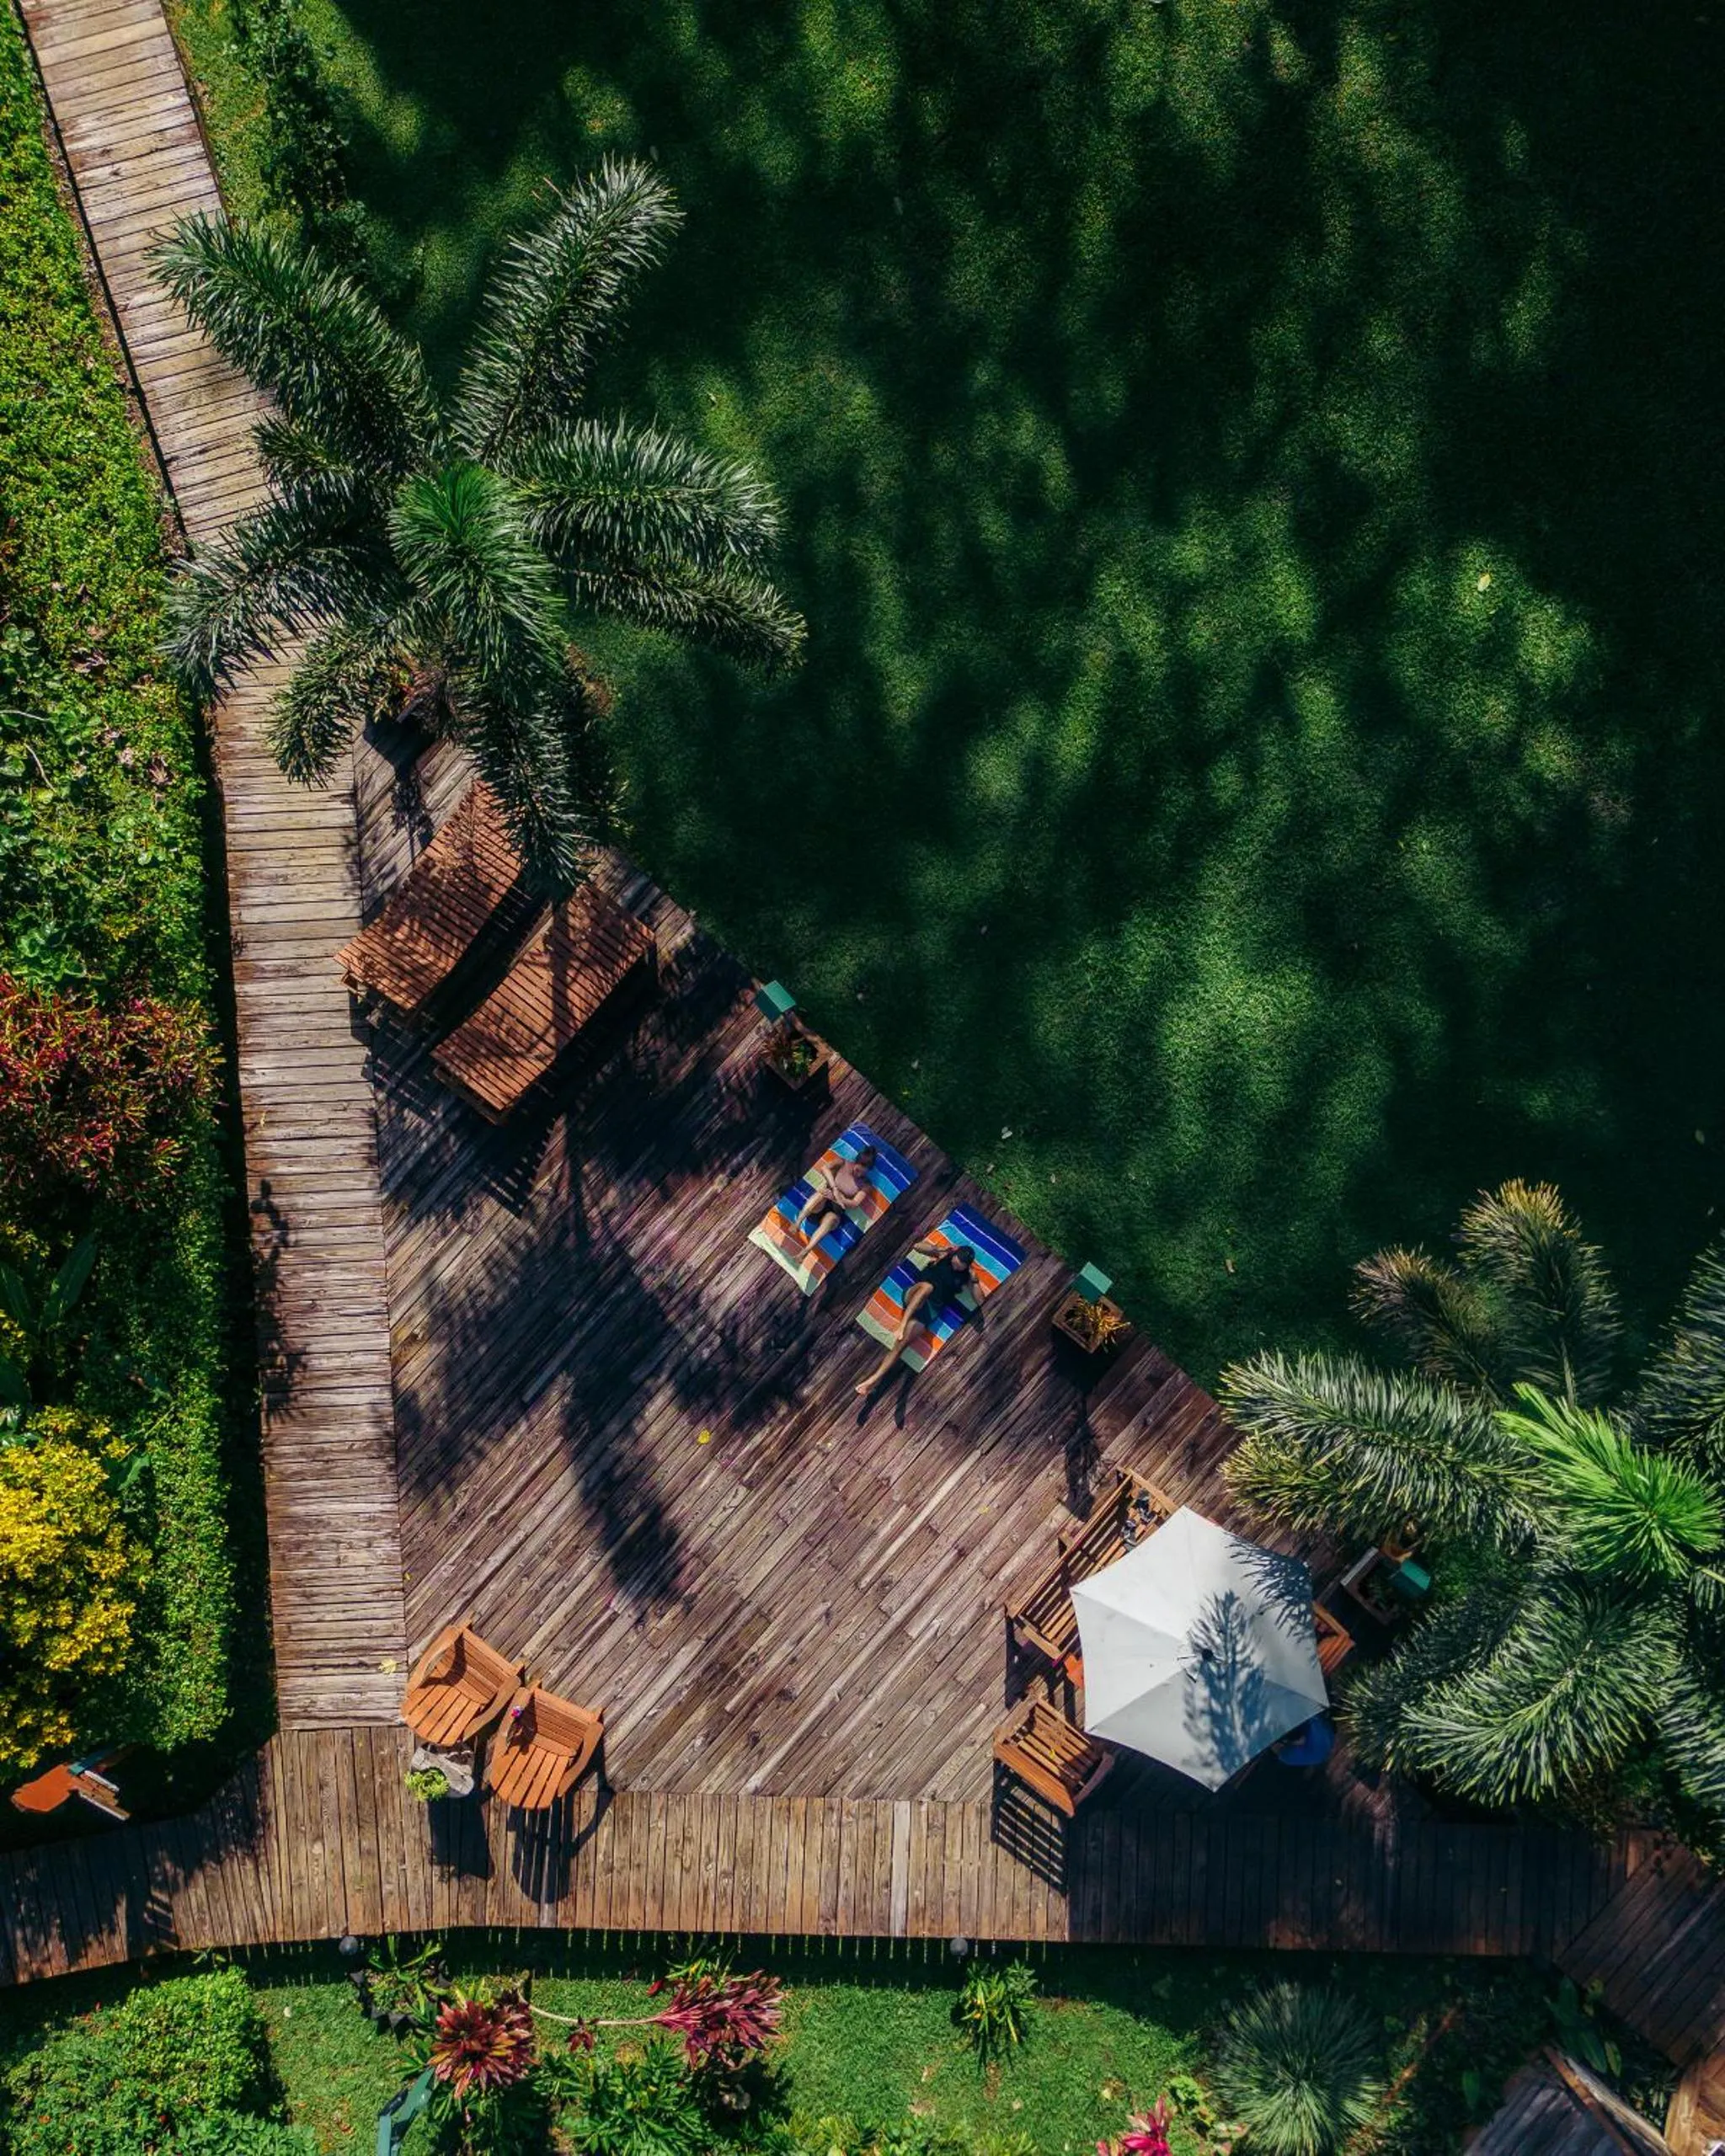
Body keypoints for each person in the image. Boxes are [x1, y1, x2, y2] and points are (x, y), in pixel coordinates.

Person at [855, 1238, 976, 1396]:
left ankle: (872, 1381)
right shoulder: (942, 1257)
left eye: (962, 1264)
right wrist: (939, 1249)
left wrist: (975, 1281)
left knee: (901, 1344)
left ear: (967, 1265)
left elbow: (980, 1300)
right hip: (915, 1295)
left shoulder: (965, 1276)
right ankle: (902, 1324)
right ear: (955, 1255)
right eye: (957, 1260)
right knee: (928, 1287)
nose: (958, 1265)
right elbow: (917, 1247)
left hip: (930, 1310)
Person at [792, 1143, 878, 1251]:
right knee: (822, 1194)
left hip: (836, 1211)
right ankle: (797, 1222)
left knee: (831, 1219)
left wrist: (837, 1198)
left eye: (863, 1173)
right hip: (818, 1206)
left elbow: (855, 1203)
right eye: (858, 1170)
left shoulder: (866, 1184)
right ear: (856, 1162)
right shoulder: (842, 1163)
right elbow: (824, 1168)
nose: (859, 1175)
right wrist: (834, 1188)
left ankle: (805, 1252)